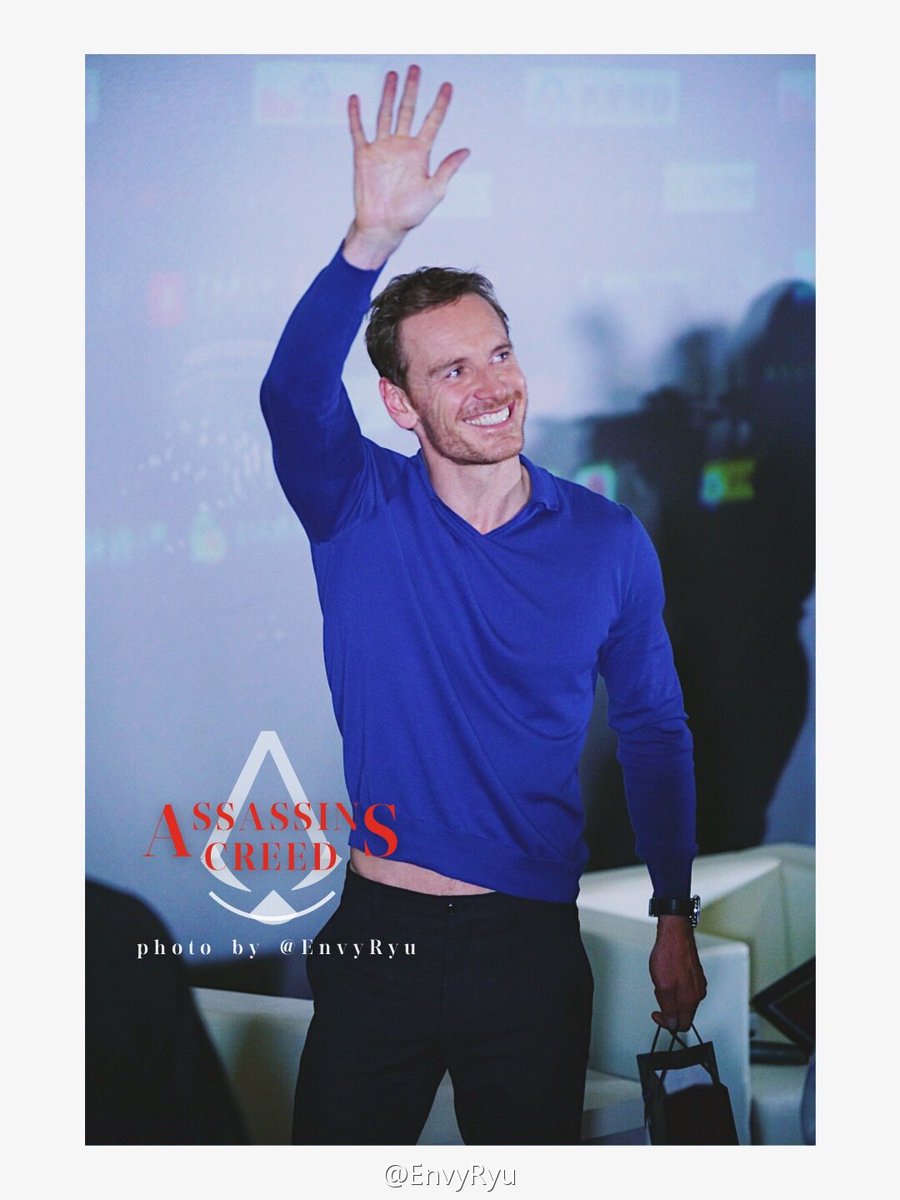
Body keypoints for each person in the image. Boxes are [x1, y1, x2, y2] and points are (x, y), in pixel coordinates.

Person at [260, 64, 706, 1146]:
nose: (493, 385)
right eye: (453, 371)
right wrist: (368, 242)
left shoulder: (606, 539)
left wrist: (673, 911)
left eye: (499, 353)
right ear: (400, 404)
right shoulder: (355, 506)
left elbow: (654, 728)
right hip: (381, 938)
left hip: (531, 947)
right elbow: (289, 395)